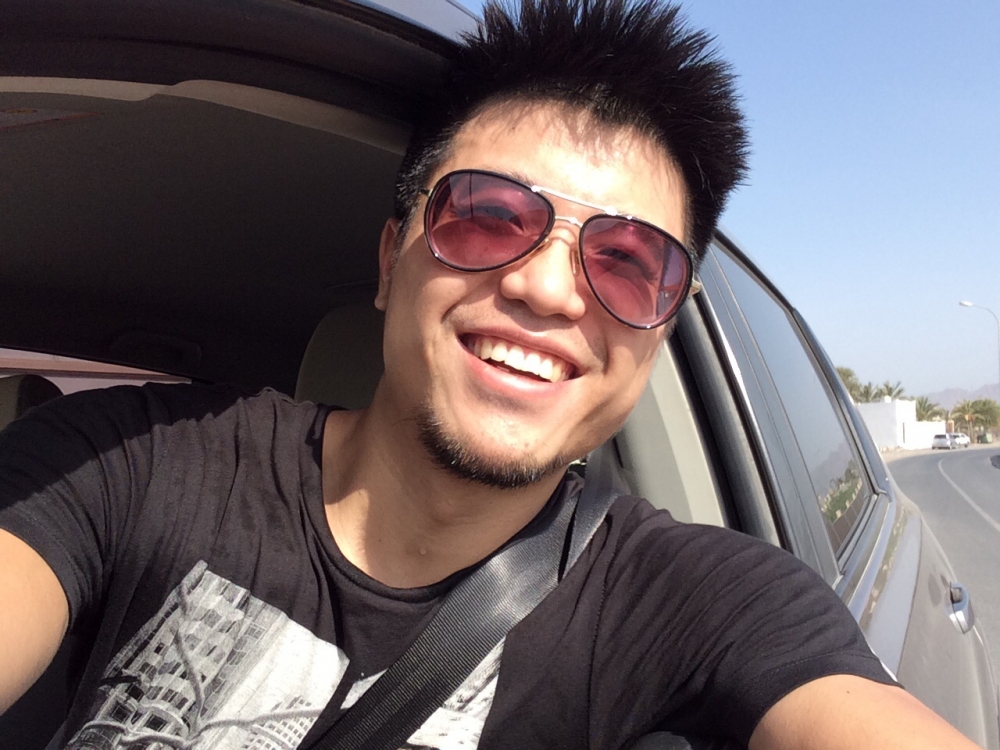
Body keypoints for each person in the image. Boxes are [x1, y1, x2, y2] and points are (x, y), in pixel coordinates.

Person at [0, 1, 981, 748]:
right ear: (391, 261)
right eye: (487, 216)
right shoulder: (132, 461)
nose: (547, 290)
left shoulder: (698, 605)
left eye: (627, 263)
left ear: (658, 333)